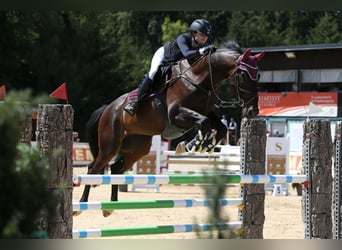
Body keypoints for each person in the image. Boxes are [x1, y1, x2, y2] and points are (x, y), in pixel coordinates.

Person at [124, 18, 216, 116]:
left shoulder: (201, 46)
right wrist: (202, 51)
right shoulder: (183, 38)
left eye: (206, 36)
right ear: (194, 33)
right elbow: (186, 53)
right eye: (202, 35)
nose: (205, 38)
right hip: (163, 56)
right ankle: (135, 102)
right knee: (153, 73)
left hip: (173, 63)